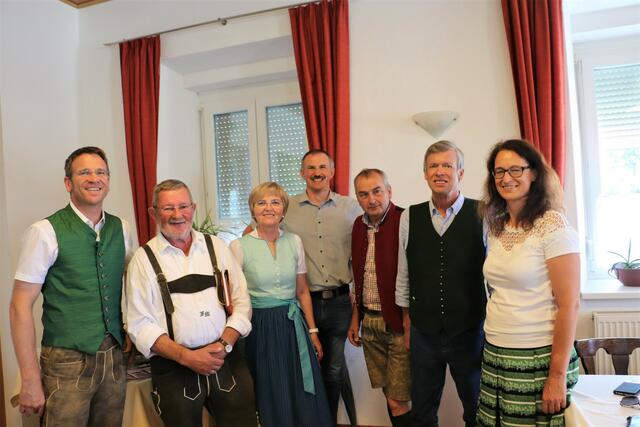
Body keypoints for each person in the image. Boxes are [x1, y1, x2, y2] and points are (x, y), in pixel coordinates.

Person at [9, 146, 134, 426]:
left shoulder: (122, 228)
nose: (94, 178)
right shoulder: (44, 231)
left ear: (108, 180)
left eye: (101, 172)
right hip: (65, 360)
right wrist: (29, 378)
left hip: (113, 357)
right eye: (84, 172)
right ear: (68, 183)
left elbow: (133, 286)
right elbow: (19, 307)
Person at [125, 179, 257, 427]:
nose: (178, 215)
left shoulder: (216, 247)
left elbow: (242, 303)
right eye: (168, 208)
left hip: (226, 360)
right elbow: (140, 325)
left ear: (193, 208)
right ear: (153, 213)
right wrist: (187, 357)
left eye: (183, 206)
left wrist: (224, 345)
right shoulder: (142, 261)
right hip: (174, 369)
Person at [477, 139, 580, 426]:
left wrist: (556, 377)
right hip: (496, 352)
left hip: (538, 357)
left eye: (515, 169)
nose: (506, 178)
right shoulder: (496, 225)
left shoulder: (553, 225)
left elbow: (570, 304)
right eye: (498, 171)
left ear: (534, 173)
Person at [396, 140, 486, 427]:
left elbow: (494, 276)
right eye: (433, 166)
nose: (440, 171)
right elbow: (404, 273)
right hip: (424, 333)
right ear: (424, 174)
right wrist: (407, 324)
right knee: (422, 412)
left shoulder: (483, 213)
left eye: (447, 165)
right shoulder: (410, 216)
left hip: (469, 331)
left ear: (460, 172)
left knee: (476, 408)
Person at [230, 181, 331, 427]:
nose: (268, 208)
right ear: (252, 210)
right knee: (270, 386)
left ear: (283, 210)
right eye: (261, 202)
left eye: (275, 202)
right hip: (258, 327)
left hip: (292, 325)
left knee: (300, 386)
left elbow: (302, 290)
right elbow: (233, 299)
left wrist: (313, 331)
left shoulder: (294, 241)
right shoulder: (238, 246)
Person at [283, 149, 362, 426]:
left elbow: (365, 249)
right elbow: (257, 232)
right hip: (303, 305)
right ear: (302, 173)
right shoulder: (286, 208)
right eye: (311, 167)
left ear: (332, 171)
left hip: (340, 303)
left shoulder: (351, 208)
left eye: (322, 167)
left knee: (333, 371)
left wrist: (357, 308)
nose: (317, 172)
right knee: (305, 370)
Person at [347, 169, 411, 427]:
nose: (371, 199)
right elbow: (357, 276)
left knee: (399, 398)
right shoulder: (358, 226)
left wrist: (409, 321)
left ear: (389, 191)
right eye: (364, 194)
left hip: (398, 323)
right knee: (389, 394)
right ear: (357, 198)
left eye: (377, 191)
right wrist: (356, 319)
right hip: (370, 323)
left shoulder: (405, 220)